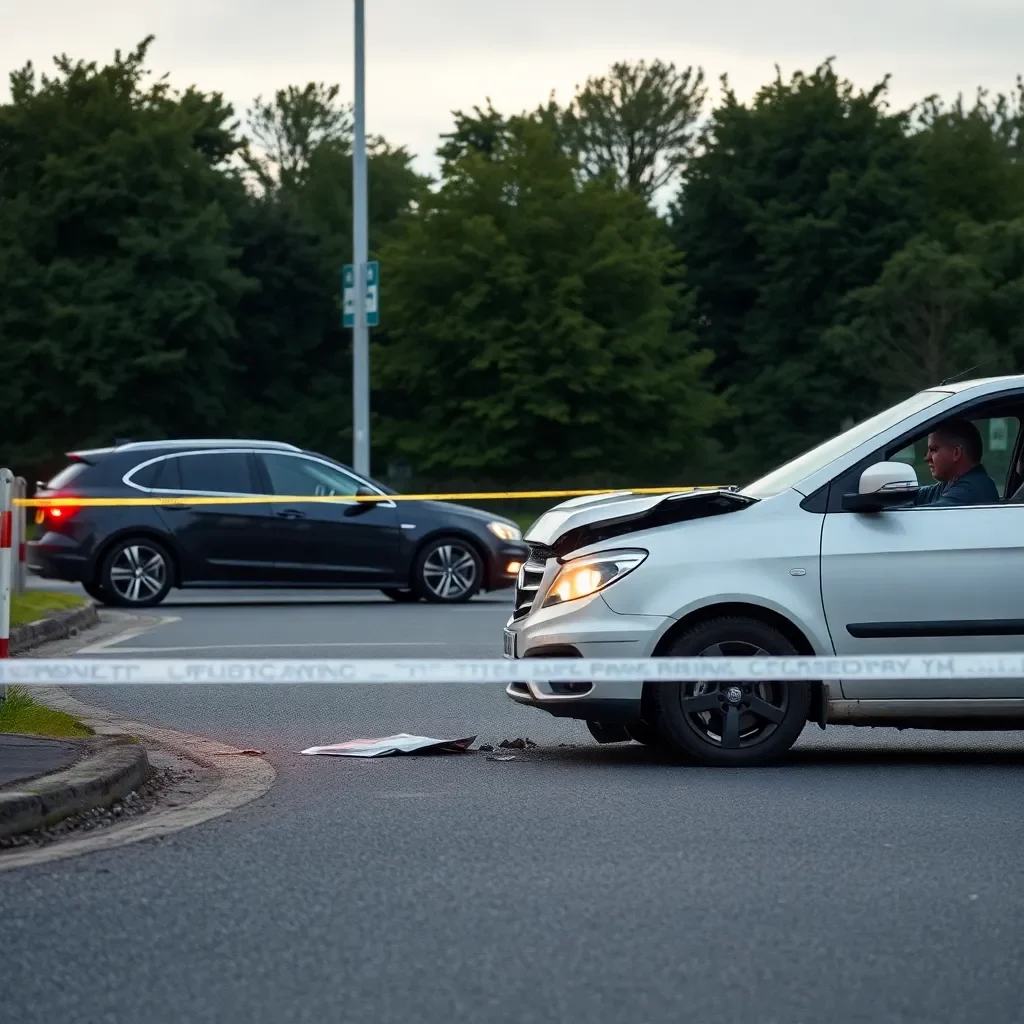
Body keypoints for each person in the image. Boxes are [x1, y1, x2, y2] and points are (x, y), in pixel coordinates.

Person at [911, 418, 999, 507]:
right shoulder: (950, 484)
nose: (927, 458)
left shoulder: (971, 490)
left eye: (933, 450)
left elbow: (926, 516)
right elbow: (914, 497)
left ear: (956, 453)